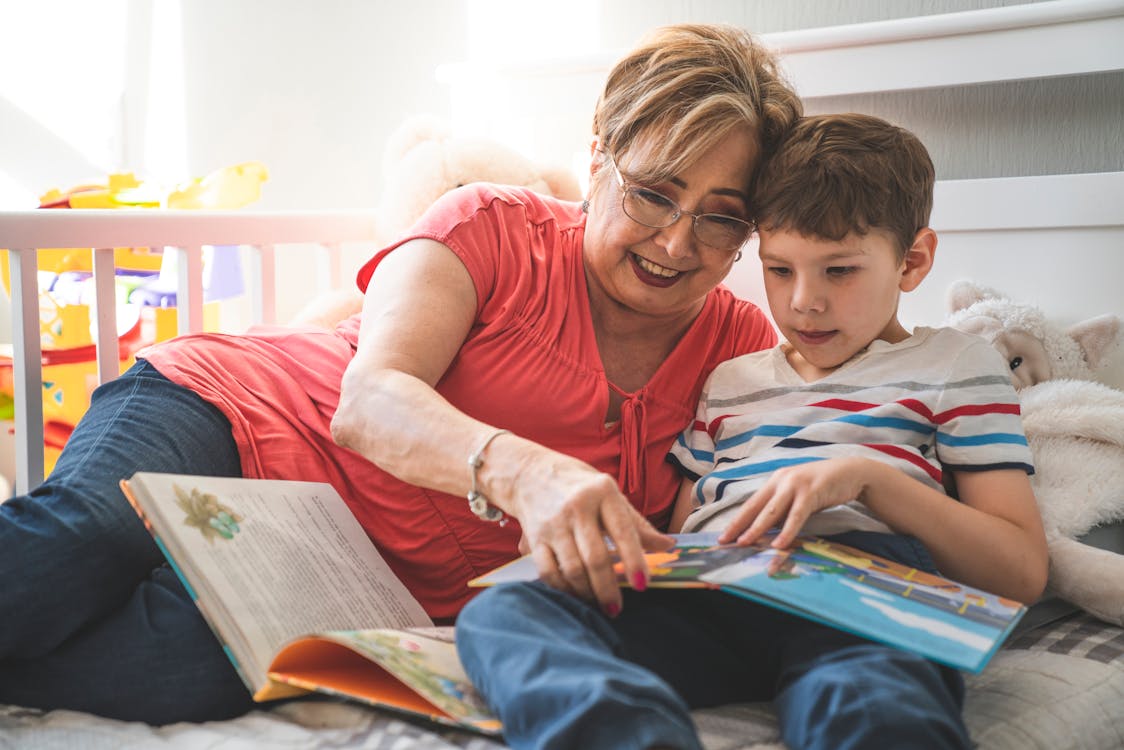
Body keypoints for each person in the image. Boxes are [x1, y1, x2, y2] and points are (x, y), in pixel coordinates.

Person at [0, 24, 801, 724]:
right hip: (233, 412)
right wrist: (522, 469)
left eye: (721, 216)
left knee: (182, 670)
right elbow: (369, 401)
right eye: (653, 194)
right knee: (82, 545)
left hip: (341, 573)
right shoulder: (490, 223)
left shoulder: (743, 353)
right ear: (596, 156)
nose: (674, 242)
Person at [456, 113, 1050, 750]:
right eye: (780, 269)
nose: (803, 302)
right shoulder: (730, 380)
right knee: (503, 613)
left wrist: (868, 481)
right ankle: (628, 735)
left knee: (869, 700)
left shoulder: (956, 367)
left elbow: (1019, 570)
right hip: (718, 594)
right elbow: (678, 534)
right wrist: (596, 550)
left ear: (913, 261)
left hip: (862, 602)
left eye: (839, 271)